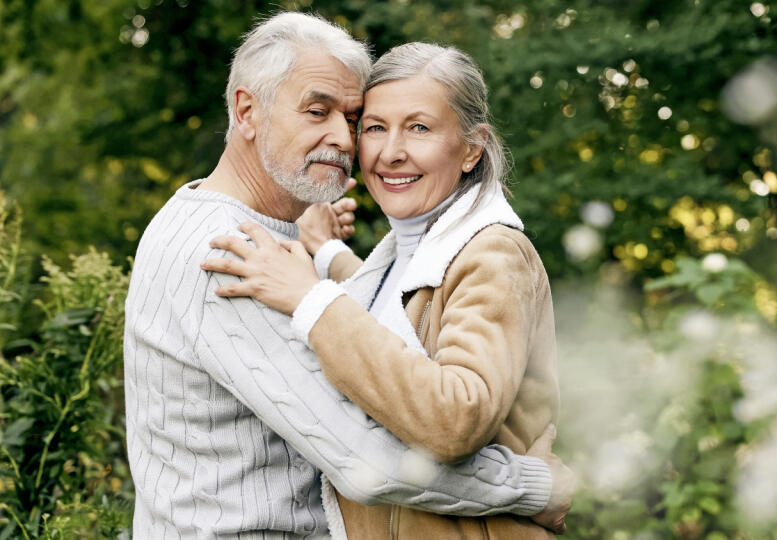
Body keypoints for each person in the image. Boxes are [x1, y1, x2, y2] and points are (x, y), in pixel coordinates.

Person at [124, 12, 570, 538]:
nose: (344, 138)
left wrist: (321, 254)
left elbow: (372, 326)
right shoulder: (231, 252)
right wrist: (536, 487)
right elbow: (368, 458)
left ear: (473, 147)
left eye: (353, 118)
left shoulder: (260, 240)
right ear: (247, 111)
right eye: (319, 111)